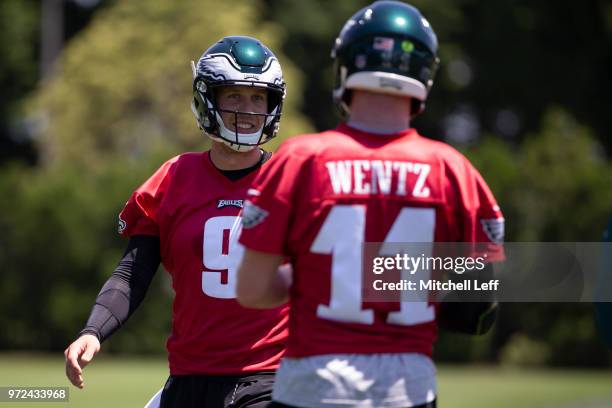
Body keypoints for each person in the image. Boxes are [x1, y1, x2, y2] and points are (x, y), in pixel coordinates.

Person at [236, 2, 505, 407]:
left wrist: (321, 273)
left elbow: (252, 290)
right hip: (407, 387)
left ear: (345, 68)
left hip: (315, 383)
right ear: (424, 74)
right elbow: (478, 302)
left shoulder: (302, 159)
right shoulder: (453, 170)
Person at [64, 36, 289, 408]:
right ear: (207, 99)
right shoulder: (173, 178)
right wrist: (94, 330)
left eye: (258, 98)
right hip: (189, 376)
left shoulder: (291, 178)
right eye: (234, 96)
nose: (247, 109)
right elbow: (133, 272)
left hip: (270, 376)